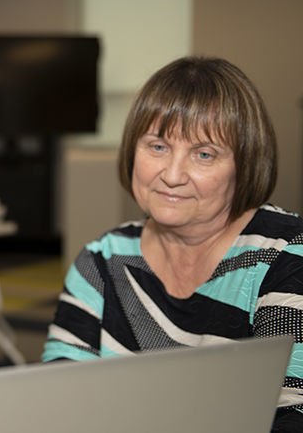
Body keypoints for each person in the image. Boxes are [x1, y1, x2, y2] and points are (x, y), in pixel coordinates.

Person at [42, 56, 303, 430]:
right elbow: (58, 400)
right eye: (158, 147)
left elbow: (292, 415)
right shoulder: (102, 259)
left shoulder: (285, 258)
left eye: (204, 154)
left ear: (244, 165)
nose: (173, 175)